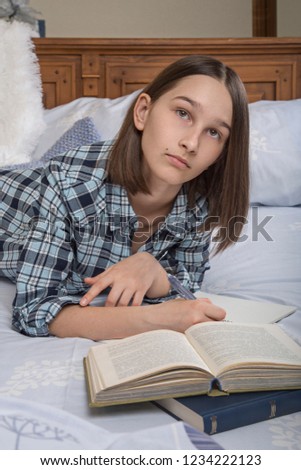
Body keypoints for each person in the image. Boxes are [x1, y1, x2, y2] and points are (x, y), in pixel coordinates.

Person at [0, 55, 249, 340]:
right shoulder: (70, 184)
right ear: (143, 112)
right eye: (183, 113)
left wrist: (152, 271)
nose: (191, 143)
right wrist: (155, 318)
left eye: (214, 132)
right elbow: (33, 311)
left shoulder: (200, 202)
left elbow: (187, 278)